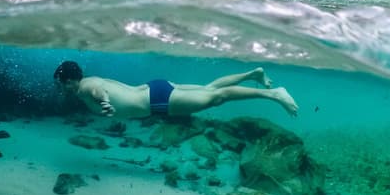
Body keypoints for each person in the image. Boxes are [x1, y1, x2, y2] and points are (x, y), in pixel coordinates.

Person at [53, 61, 298, 118]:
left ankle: (274, 94)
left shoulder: (85, 87)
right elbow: (99, 85)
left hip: (157, 101)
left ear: (68, 81)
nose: (60, 89)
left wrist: (104, 102)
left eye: (60, 84)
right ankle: (253, 74)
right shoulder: (90, 79)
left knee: (216, 97)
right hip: (156, 88)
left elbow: (97, 91)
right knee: (209, 88)